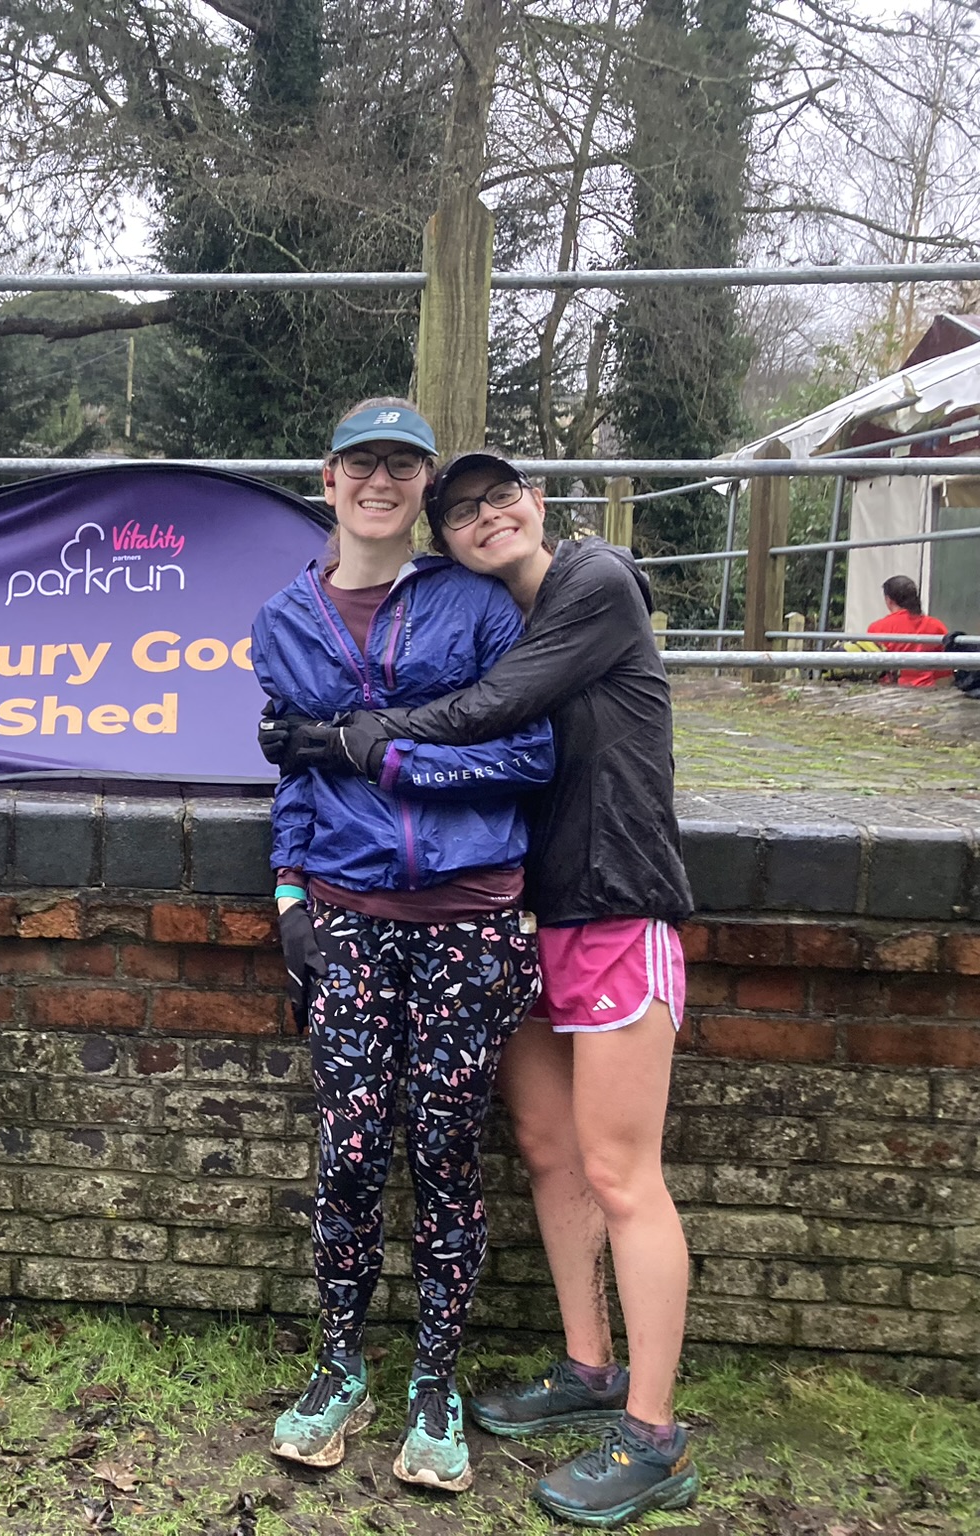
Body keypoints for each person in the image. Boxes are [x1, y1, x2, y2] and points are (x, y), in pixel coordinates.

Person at [333, 451, 702, 1529]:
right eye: (458, 512)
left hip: (615, 910)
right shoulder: (495, 615)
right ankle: (587, 1366)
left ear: (538, 505)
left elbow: (497, 706)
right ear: (441, 540)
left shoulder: (593, 581)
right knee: (547, 1153)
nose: (484, 516)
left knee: (620, 1171)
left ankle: (652, 1436)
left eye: (500, 497)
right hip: (524, 920)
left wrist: (365, 736)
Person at [253, 401, 552, 1494]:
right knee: (344, 1151)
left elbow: (526, 757)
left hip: (468, 915)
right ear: (326, 478)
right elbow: (290, 772)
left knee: (443, 1154)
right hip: (344, 915)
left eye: (401, 465)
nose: (379, 480)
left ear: (422, 485)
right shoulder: (282, 618)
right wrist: (287, 901)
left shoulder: (472, 607)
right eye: (360, 463)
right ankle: (340, 1365)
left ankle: (436, 1377)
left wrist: (377, 759)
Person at [866, 573, 950, 687]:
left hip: (890, 692)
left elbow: (872, 669)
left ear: (888, 600)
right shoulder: (937, 626)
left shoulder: (877, 628)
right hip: (928, 690)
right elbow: (945, 670)